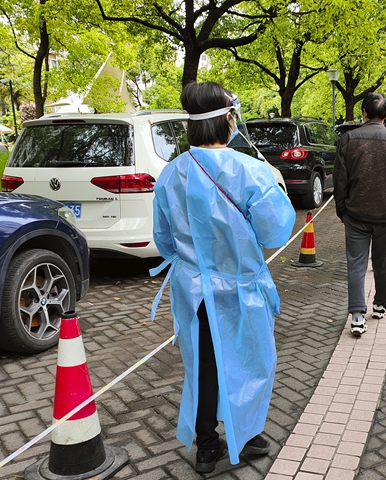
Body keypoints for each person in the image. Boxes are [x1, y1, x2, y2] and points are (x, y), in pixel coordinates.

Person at [150, 81, 295, 473]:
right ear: (229, 119)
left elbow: (163, 240)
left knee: (202, 366)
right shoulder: (251, 171)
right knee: (250, 364)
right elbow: (274, 232)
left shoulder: (171, 174)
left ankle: (207, 446)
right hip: (242, 289)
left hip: (194, 291)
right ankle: (244, 435)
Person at [334, 92, 386, 336]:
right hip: (385, 214)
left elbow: (339, 180)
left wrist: (342, 208)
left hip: (355, 212)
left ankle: (357, 316)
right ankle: (380, 305)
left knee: (355, 264)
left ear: (364, 113)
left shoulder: (348, 139)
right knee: (383, 263)